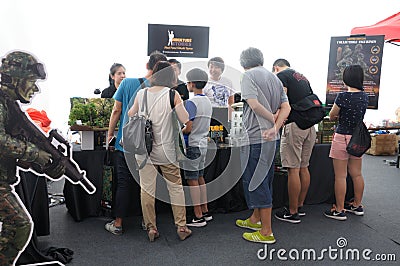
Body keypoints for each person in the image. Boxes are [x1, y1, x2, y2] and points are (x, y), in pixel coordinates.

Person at [0, 51, 65, 265]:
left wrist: (41, 164)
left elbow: (11, 151)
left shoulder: (9, 105)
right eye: (31, 81)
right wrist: (35, 153)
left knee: (18, 225)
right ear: (15, 79)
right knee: (19, 224)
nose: (35, 88)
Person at [128, 61, 192, 241]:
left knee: (147, 190)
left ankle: (151, 228)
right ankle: (181, 226)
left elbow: (131, 114)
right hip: (167, 151)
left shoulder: (141, 94)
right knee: (175, 188)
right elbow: (185, 119)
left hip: (144, 150)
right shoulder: (173, 94)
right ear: (171, 77)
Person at [105, 51, 167, 235]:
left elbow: (117, 111)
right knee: (146, 185)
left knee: (123, 183)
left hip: (126, 143)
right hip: (148, 144)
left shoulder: (127, 82)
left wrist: (110, 134)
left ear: (148, 65)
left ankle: (118, 224)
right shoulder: (162, 90)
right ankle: (146, 222)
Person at [235, 47, 290, 244]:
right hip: (270, 138)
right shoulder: (275, 77)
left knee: (256, 182)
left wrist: (272, 118)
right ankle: (255, 220)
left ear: (243, 63)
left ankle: (266, 232)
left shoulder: (248, 75)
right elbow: (287, 107)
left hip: (255, 138)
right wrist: (275, 126)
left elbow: (254, 104)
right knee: (264, 180)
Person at [272, 59, 317, 223]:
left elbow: (281, 102)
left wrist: (275, 121)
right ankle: (299, 205)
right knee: (304, 167)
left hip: (295, 125)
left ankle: (291, 212)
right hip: (310, 127)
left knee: (293, 169)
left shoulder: (282, 76)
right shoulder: (302, 77)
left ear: (275, 68)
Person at [324, 64, 368, 220]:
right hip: (357, 138)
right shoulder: (365, 96)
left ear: (346, 79)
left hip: (342, 136)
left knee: (340, 176)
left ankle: (340, 210)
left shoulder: (342, 97)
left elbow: (331, 116)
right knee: (357, 174)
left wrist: (338, 115)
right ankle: (357, 205)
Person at [181, 68, 212, 227]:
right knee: (200, 178)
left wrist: (180, 130)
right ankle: (205, 211)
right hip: (203, 144)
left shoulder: (192, 102)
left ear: (191, 83)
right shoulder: (207, 101)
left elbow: (188, 127)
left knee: (192, 179)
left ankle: (198, 216)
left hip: (193, 144)